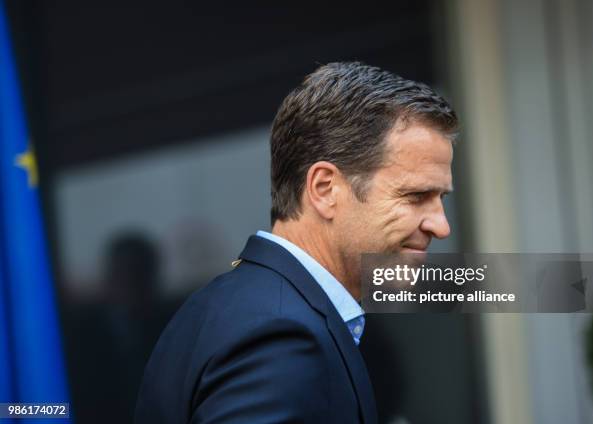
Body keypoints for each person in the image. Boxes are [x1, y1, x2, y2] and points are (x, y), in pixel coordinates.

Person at [134, 62, 458, 423]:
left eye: (441, 198)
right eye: (415, 196)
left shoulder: (242, 306)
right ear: (324, 189)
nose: (441, 226)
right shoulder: (281, 335)